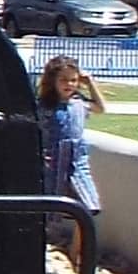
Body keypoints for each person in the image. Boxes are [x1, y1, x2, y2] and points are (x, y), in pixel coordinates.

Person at [39, 51, 105, 250]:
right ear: (54, 81)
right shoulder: (45, 107)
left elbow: (101, 108)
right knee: (49, 208)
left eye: (74, 80)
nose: (69, 85)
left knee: (88, 207)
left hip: (77, 161)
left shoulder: (79, 103)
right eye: (64, 80)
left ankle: (77, 254)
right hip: (53, 161)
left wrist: (90, 83)